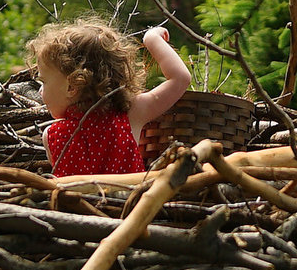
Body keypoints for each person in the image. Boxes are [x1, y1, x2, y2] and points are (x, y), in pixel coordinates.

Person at [29, 18, 193, 178]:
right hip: (132, 204)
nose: (40, 91)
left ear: (71, 87)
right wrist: (152, 39)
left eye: (43, 82)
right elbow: (180, 78)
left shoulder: (51, 135)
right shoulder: (131, 114)